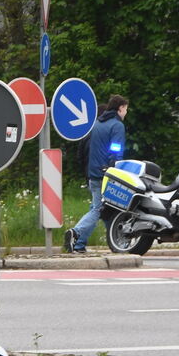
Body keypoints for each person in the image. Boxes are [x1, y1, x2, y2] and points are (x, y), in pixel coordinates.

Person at [65, 94, 129, 254]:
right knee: (99, 209)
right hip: (106, 175)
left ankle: (113, 242)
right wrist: (116, 172)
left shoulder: (97, 124)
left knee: (104, 209)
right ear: (120, 108)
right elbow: (115, 151)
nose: (126, 112)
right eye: (126, 109)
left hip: (93, 174)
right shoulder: (117, 126)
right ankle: (76, 232)